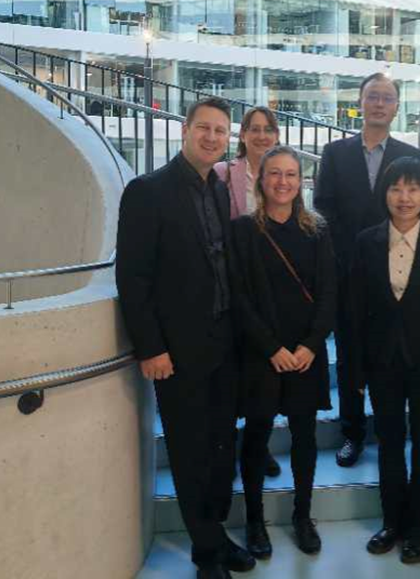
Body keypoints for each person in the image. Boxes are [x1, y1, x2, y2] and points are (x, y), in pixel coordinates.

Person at [116, 98, 255, 579]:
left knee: (221, 446)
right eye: (204, 128)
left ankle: (214, 533)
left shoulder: (217, 187)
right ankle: (206, 551)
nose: (212, 138)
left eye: (220, 131)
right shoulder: (146, 191)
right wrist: (151, 347)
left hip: (223, 342)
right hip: (176, 351)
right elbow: (132, 277)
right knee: (189, 450)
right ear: (185, 130)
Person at [350, 157, 420, 564]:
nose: (404, 197)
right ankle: (392, 523)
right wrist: (356, 369)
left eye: (413, 188)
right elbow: (354, 311)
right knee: (389, 444)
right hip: (381, 360)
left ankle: (417, 530)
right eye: (396, 188)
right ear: (384, 193)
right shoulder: (366, 241)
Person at [314, 73, 420, 467]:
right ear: (360, 102)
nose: (379, 104)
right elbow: (323, 209)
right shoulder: (335, 153)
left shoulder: (410, 155)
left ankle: (390, 428)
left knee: (394, 354)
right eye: (373, 96)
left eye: (387, 98)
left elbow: (418, 211)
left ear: (396, 107)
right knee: (350, 356)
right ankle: (352, 433)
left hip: (399, 274)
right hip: (348, 273)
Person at [230, 146, 336, 559]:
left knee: (304, 437)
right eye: (275, 173)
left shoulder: (317, 230)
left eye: (291, 174)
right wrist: (271, 347)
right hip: (262, 353)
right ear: (261, 180)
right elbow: (238, 296)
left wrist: (311, 345)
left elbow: (329, 293)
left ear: (300, 181)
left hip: (305, 353)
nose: (283, 182)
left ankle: (302, 515)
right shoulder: (242, 231)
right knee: (256, 436)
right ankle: (255, 521)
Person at [214, 105, 282, 479]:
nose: (261, 136)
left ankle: (259, 447)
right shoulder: (223, 174)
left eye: (267, 129)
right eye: (253, 129)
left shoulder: (281, 176)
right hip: (231, 288)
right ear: (242, 135)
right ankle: (226, 448)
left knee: (265, 381)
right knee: (231, 377)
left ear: (276, 135)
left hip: (271, 292)